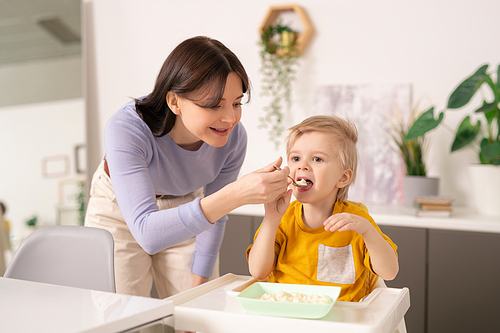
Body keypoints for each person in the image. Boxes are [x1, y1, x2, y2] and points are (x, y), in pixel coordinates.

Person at [85, 36, 290, 299]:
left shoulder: (234, 138)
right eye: (214, 105)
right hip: (119, 211)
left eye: (236, 103)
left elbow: (217, 212)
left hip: (186, 205)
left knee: (201, 310)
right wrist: (237, 194)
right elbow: (147, 232)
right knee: (123, 314)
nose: (230, 118)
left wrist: (202, 275)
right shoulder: (127, 128)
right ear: (174, 102)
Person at [247, 115, 399, 302]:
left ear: (343, 178)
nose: (302, 166)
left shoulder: (356, 221)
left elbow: (390, 272)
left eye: (317, 159)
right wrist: (271, 218)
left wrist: (367, 230)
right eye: (295, 158)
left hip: (342, 319)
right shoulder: (281, 217)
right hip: (287, 315)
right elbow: (258, 272)